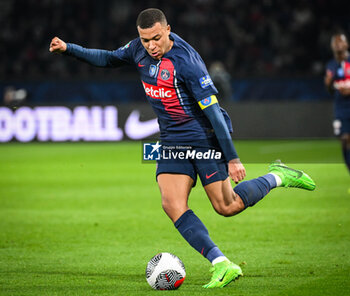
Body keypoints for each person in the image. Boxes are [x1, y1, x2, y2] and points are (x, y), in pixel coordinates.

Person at [49, 8, 316, 288]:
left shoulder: (187, 63)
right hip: (172, 140)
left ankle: (279, 176)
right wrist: (69, 49)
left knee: (227, 206)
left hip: (204, 138)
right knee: (172, 204)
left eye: (155, 38)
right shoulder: (137, 50)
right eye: (144, 40)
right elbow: (107, 58)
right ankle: (222, 263)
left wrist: (232, 157)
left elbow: (214, 113)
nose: (150, 46)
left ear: (167, 30)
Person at [324, 33, 350, 173]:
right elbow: (331, 91)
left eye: (341, 42)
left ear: (347, 45)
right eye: (335, 42)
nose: (338, 44)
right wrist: (328, 84)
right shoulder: (331, 65)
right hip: (341, 109)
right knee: (344, 140)